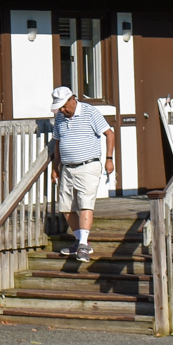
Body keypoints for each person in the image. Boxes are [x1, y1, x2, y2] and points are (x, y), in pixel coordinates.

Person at [49, 85, 114, 261]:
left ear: (72, 99)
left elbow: (110, 134)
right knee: (66, 206)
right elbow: (58, 143)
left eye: (64, 106)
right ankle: (79, 241)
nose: (62, 110)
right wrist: (55, 167)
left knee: (85, 203)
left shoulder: (90, 112)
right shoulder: (60, 117)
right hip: (67, 167)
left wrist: (109, 159)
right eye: (59, 107)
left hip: (88, 165)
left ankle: (83, 245)